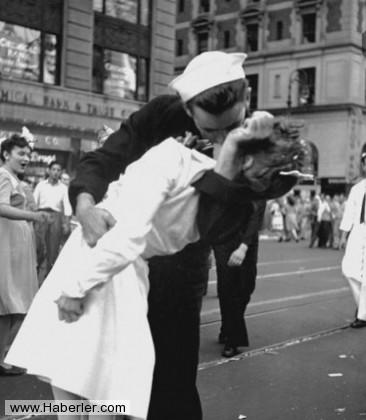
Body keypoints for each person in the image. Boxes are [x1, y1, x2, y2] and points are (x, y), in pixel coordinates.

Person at [6, 114, 306, 419]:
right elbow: (130, 228)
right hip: (105, 263)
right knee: (87, 387)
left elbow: (131, 234)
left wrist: (78, 287)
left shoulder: (197, 177)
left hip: (108, 266)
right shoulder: (190, 168)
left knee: (86, 388)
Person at [66, 51, 301, 420]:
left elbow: (242, 207)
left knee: (172, 374)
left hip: (181, 262)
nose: (221, 135)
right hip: (122, 259)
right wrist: (84, 202)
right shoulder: (161, 114)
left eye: (230, 125)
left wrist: (237, 151)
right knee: (94, 378)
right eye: (211, 131)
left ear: (248, 97)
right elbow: (105, 159)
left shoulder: (257, 135)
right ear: (188, 110)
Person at [0, 135, 49, 376]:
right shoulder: (3, 175)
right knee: (9, 304)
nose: (26, 158)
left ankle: (4, 355)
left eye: (28, 154)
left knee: (11, 307)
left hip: (15, 247)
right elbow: (0, 206)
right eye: (21, 153)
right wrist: (32, 216)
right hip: (7, 247)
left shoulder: (13, 178)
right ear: (6, 154)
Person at [213, 200, 265, 357]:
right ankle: (233, 339)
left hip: (247, 240)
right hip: (223, 238)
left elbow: (256, 215)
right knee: (227, 286)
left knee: (246, 286)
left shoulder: (258, 181)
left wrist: (243, 246)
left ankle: (227, 326)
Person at [339, 153, 366, 328]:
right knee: (348, 269)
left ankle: (362, 315)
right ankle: (362, 307)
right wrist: (343, 235)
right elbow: (350, 213)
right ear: (363, 166)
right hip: (358, 231)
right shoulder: (357, 189)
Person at [33, 161, 72, 277]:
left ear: (61, 172)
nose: (55, 172)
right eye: (53, 169)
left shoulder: (63, 188)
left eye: (58, 170)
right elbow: (34, 203)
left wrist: (66, 224)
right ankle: (35, 271)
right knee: (38, 245)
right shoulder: (41, 185)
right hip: (41, 214)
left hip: (56, 216)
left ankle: (49, 275)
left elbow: (67, 207)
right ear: (49, 170)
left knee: (53, 247)